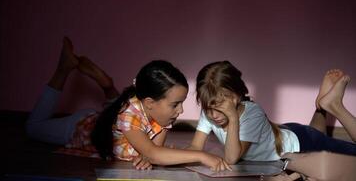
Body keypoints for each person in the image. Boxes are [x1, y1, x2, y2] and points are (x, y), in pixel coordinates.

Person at [26, 37, 231, 172]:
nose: (181, 110)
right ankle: (63, 70)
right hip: (79, 127)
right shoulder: (129, 114)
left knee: (116, 109)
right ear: (150, 103)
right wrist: (203, 156)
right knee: (32, 127)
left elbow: (153, 151)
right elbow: (154, 153)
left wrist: (150, 155)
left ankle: (108, 87)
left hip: (110, 118)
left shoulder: (160, 113)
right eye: (176, 104)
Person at [188, 61, 356, 165]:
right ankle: (321, 106)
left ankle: (334, 106)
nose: (214, 115)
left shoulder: (252, 114)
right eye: (208, 108)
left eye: (220, 108)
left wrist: (232, 117)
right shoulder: (210, 110)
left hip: (300, 144)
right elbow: (195, 147)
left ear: (237, 97)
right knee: (318, 135)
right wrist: (177, 156)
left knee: (320, 139)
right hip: (285, 133)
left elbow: (232, 158)